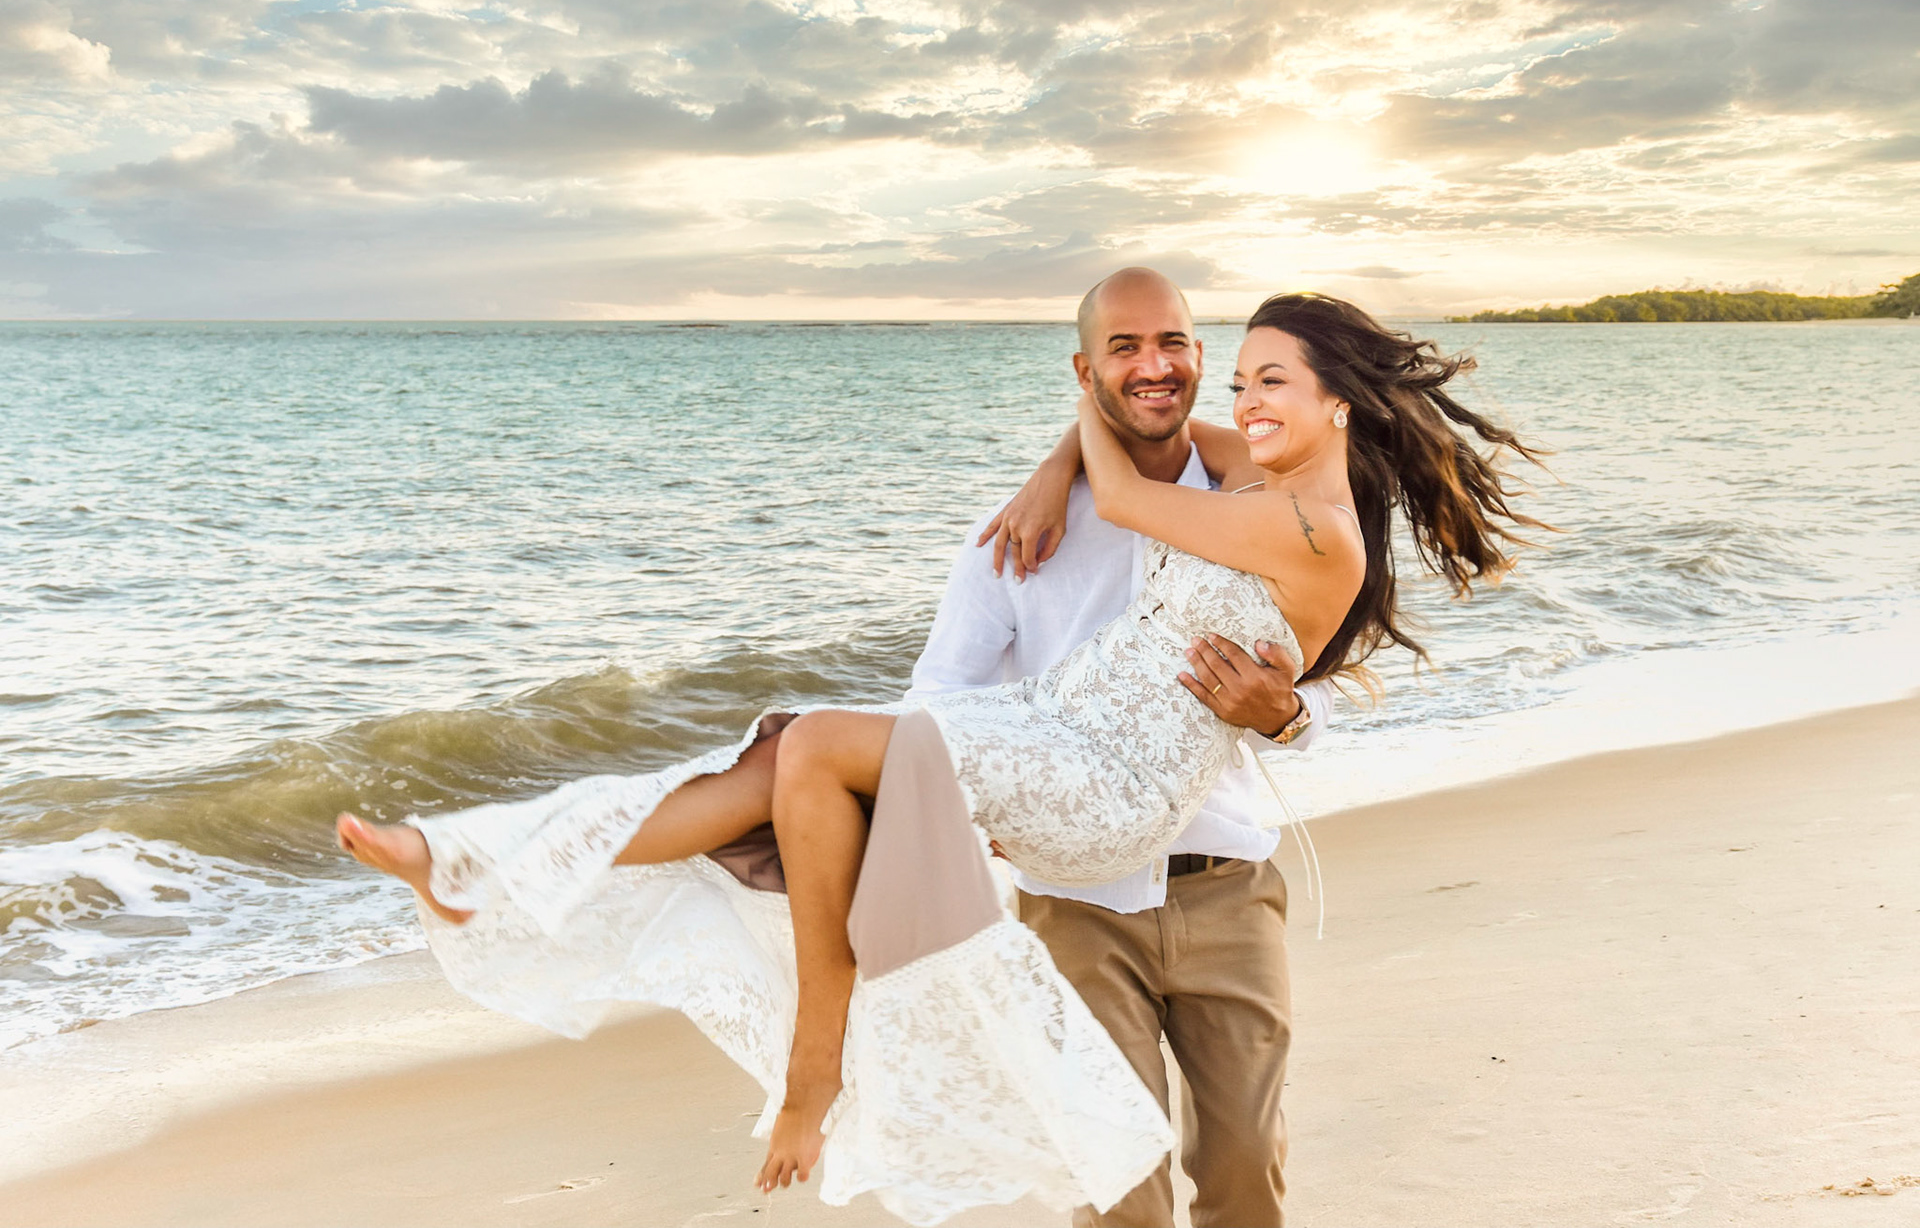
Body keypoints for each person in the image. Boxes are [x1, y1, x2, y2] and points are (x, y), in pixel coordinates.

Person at [337, 285, 1541, 1226]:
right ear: (1094, 373)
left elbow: (1130, 491)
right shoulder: (1234, 476)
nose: (1238, 397)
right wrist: (1060, 458)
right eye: (1234, 377)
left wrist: (1093, 461)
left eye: (1269, 379)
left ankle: (812, 1060)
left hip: (1141, 809)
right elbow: (1124, 463)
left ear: (1340, 400)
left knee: (1240, 1180)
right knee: (799, 754)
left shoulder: (1295, 519)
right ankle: (479, 863)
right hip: (1065, 796)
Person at [909, 267, 1331, 1228]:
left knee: (1248, 1173)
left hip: (1228, 883)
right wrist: (987, 805)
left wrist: (1287, 715)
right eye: (1125, 347)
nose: (1154, 366)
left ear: (1199, 357)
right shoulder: (1017, 540)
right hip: (1079, 908)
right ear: (1085, 368)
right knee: (1119, 1193)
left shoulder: (1259, 505)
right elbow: (938, 701)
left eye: (1174, 342)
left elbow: (1327, 678)